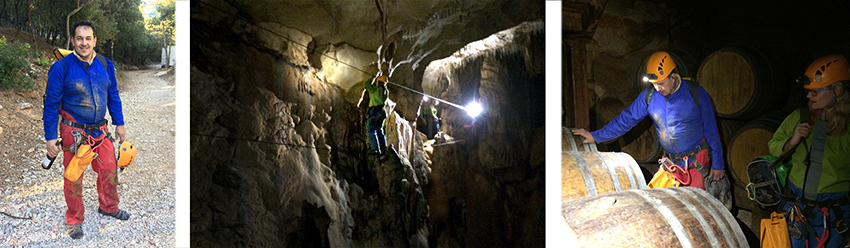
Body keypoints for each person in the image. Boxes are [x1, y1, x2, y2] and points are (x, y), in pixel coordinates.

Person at [572, 51, 726, 190]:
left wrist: (718, 164)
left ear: (673, 77)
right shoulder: (650, 96)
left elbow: (711, 129)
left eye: (661, 83)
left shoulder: (696, 93)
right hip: (670, 163)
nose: (658, 88)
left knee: (695, 209)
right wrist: (596, 136)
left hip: (695, 163)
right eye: (654, 84)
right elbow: (626, 119)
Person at [43, 20, 130, 239]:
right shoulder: (60, 68)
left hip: (100, 131)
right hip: (73, 133)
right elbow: (51, 105)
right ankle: (74, 219)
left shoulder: (106, 64)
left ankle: (109, 207)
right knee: (73, 177)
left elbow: (113, 96)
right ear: (73, 40)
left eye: (88, 38)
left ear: (95, 41)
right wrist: (50, 137)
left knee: (109, 169)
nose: (84, 43)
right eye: (79, 38)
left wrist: (119, 123)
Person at [769, 54, 850, 248]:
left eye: (815, 92)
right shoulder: (800, 116)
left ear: (837, 90)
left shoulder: (848, 126)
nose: (808, 96)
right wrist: (792, 141)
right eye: (807, 91)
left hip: (835, 212)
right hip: (797, 208)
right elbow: (773, 145)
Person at [361, 75, 389, 155]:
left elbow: (367, 85)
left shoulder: (375, 90)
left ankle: (375, 149)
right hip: (382, 112)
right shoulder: (386, 91)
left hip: (374, 111)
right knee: (380, 131)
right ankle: (383, 150)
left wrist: (371, 78)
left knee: (371, 130)